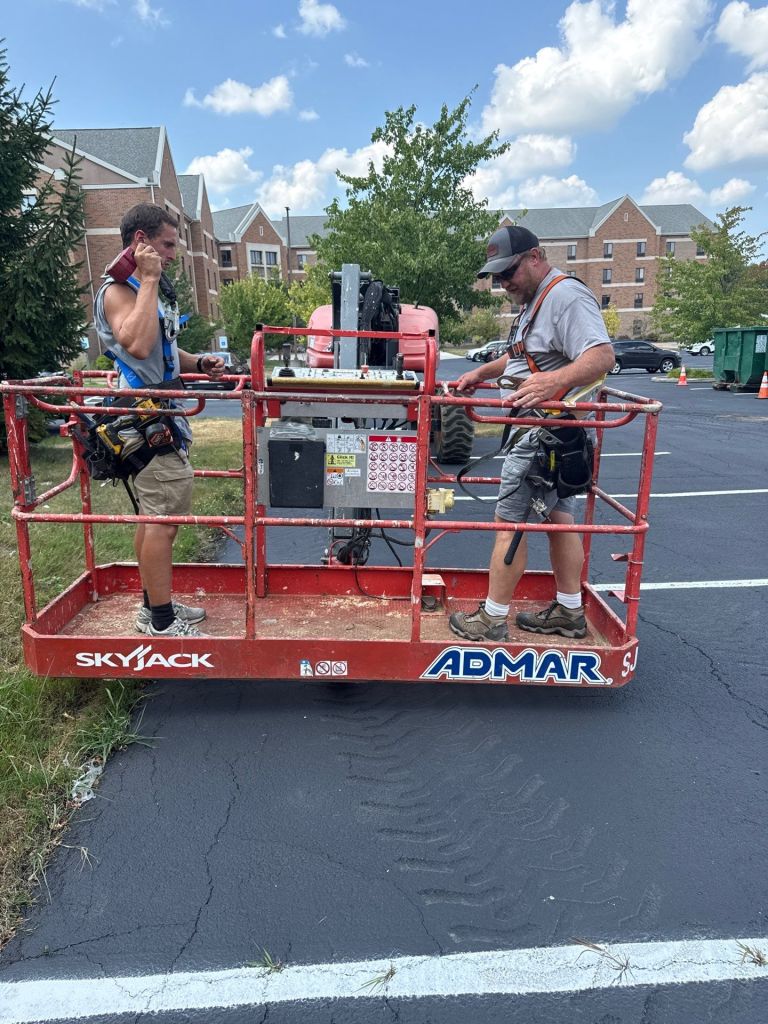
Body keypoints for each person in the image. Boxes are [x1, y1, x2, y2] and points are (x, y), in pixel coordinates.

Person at [448, 226, 615, 642]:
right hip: (551, 433)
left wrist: (549, 383)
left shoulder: (564, 297)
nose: (503, 283)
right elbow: (519, 357)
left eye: (508, 272)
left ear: (535, 256)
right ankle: (570, 611)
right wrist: (479, 373)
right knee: (559, 518)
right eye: (497, 277)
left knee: (509, 521)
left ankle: (491, 619)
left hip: (542, 433)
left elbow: (601, 355)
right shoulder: (536, 302)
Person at [94, 203, 225, 637]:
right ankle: (163, 623)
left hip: (163, 411)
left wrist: (198, 361)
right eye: (167, 245)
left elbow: (160, 346)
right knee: (162, 518)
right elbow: (135, 342)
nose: (173, 254)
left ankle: (154, 608)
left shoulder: (141, 291)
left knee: (157, 516)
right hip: (144, 417)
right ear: (141, 241)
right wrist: (149, 278)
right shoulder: (120, 291)